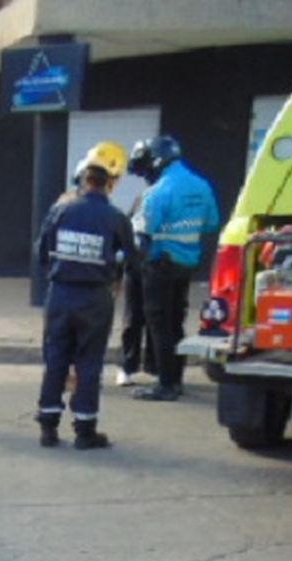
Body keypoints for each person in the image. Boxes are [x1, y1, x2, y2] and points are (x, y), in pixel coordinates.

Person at [33, 142, 135, 450]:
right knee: (89, 363)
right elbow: (131, 258)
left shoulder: (60, 209)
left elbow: (41, 253)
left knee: (55, 360)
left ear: (84, 176)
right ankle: (85, 430)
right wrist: (112, 272)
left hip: (60, 294)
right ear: (111, 181)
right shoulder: (116, 218)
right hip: (95, 299)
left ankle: (48, 428)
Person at [129, 135, 219, 402]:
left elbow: (144, 232)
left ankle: (166, 384)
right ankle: (176, 378)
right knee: (176, 322)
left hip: (160, 264)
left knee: (158, 324)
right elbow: (210, 223)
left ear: (157, 162)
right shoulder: (202, 185)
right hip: (187, 264)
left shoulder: (157, 192)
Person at [114, 140, 160, 388]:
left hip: (156, 266)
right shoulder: (142, 198)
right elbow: (127, 234)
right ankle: (129, 366)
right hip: (140, 267)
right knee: (135, 318)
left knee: (151, 318)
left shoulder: (155, 195)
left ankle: (151, 366)